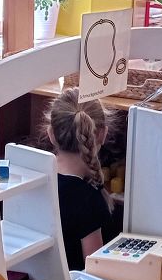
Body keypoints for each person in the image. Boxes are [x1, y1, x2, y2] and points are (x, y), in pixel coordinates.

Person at [46, 88, 116, 270]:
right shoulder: (88, 198)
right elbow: (94, 270)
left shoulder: (33, 179)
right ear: (102, 134)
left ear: (51, 134)